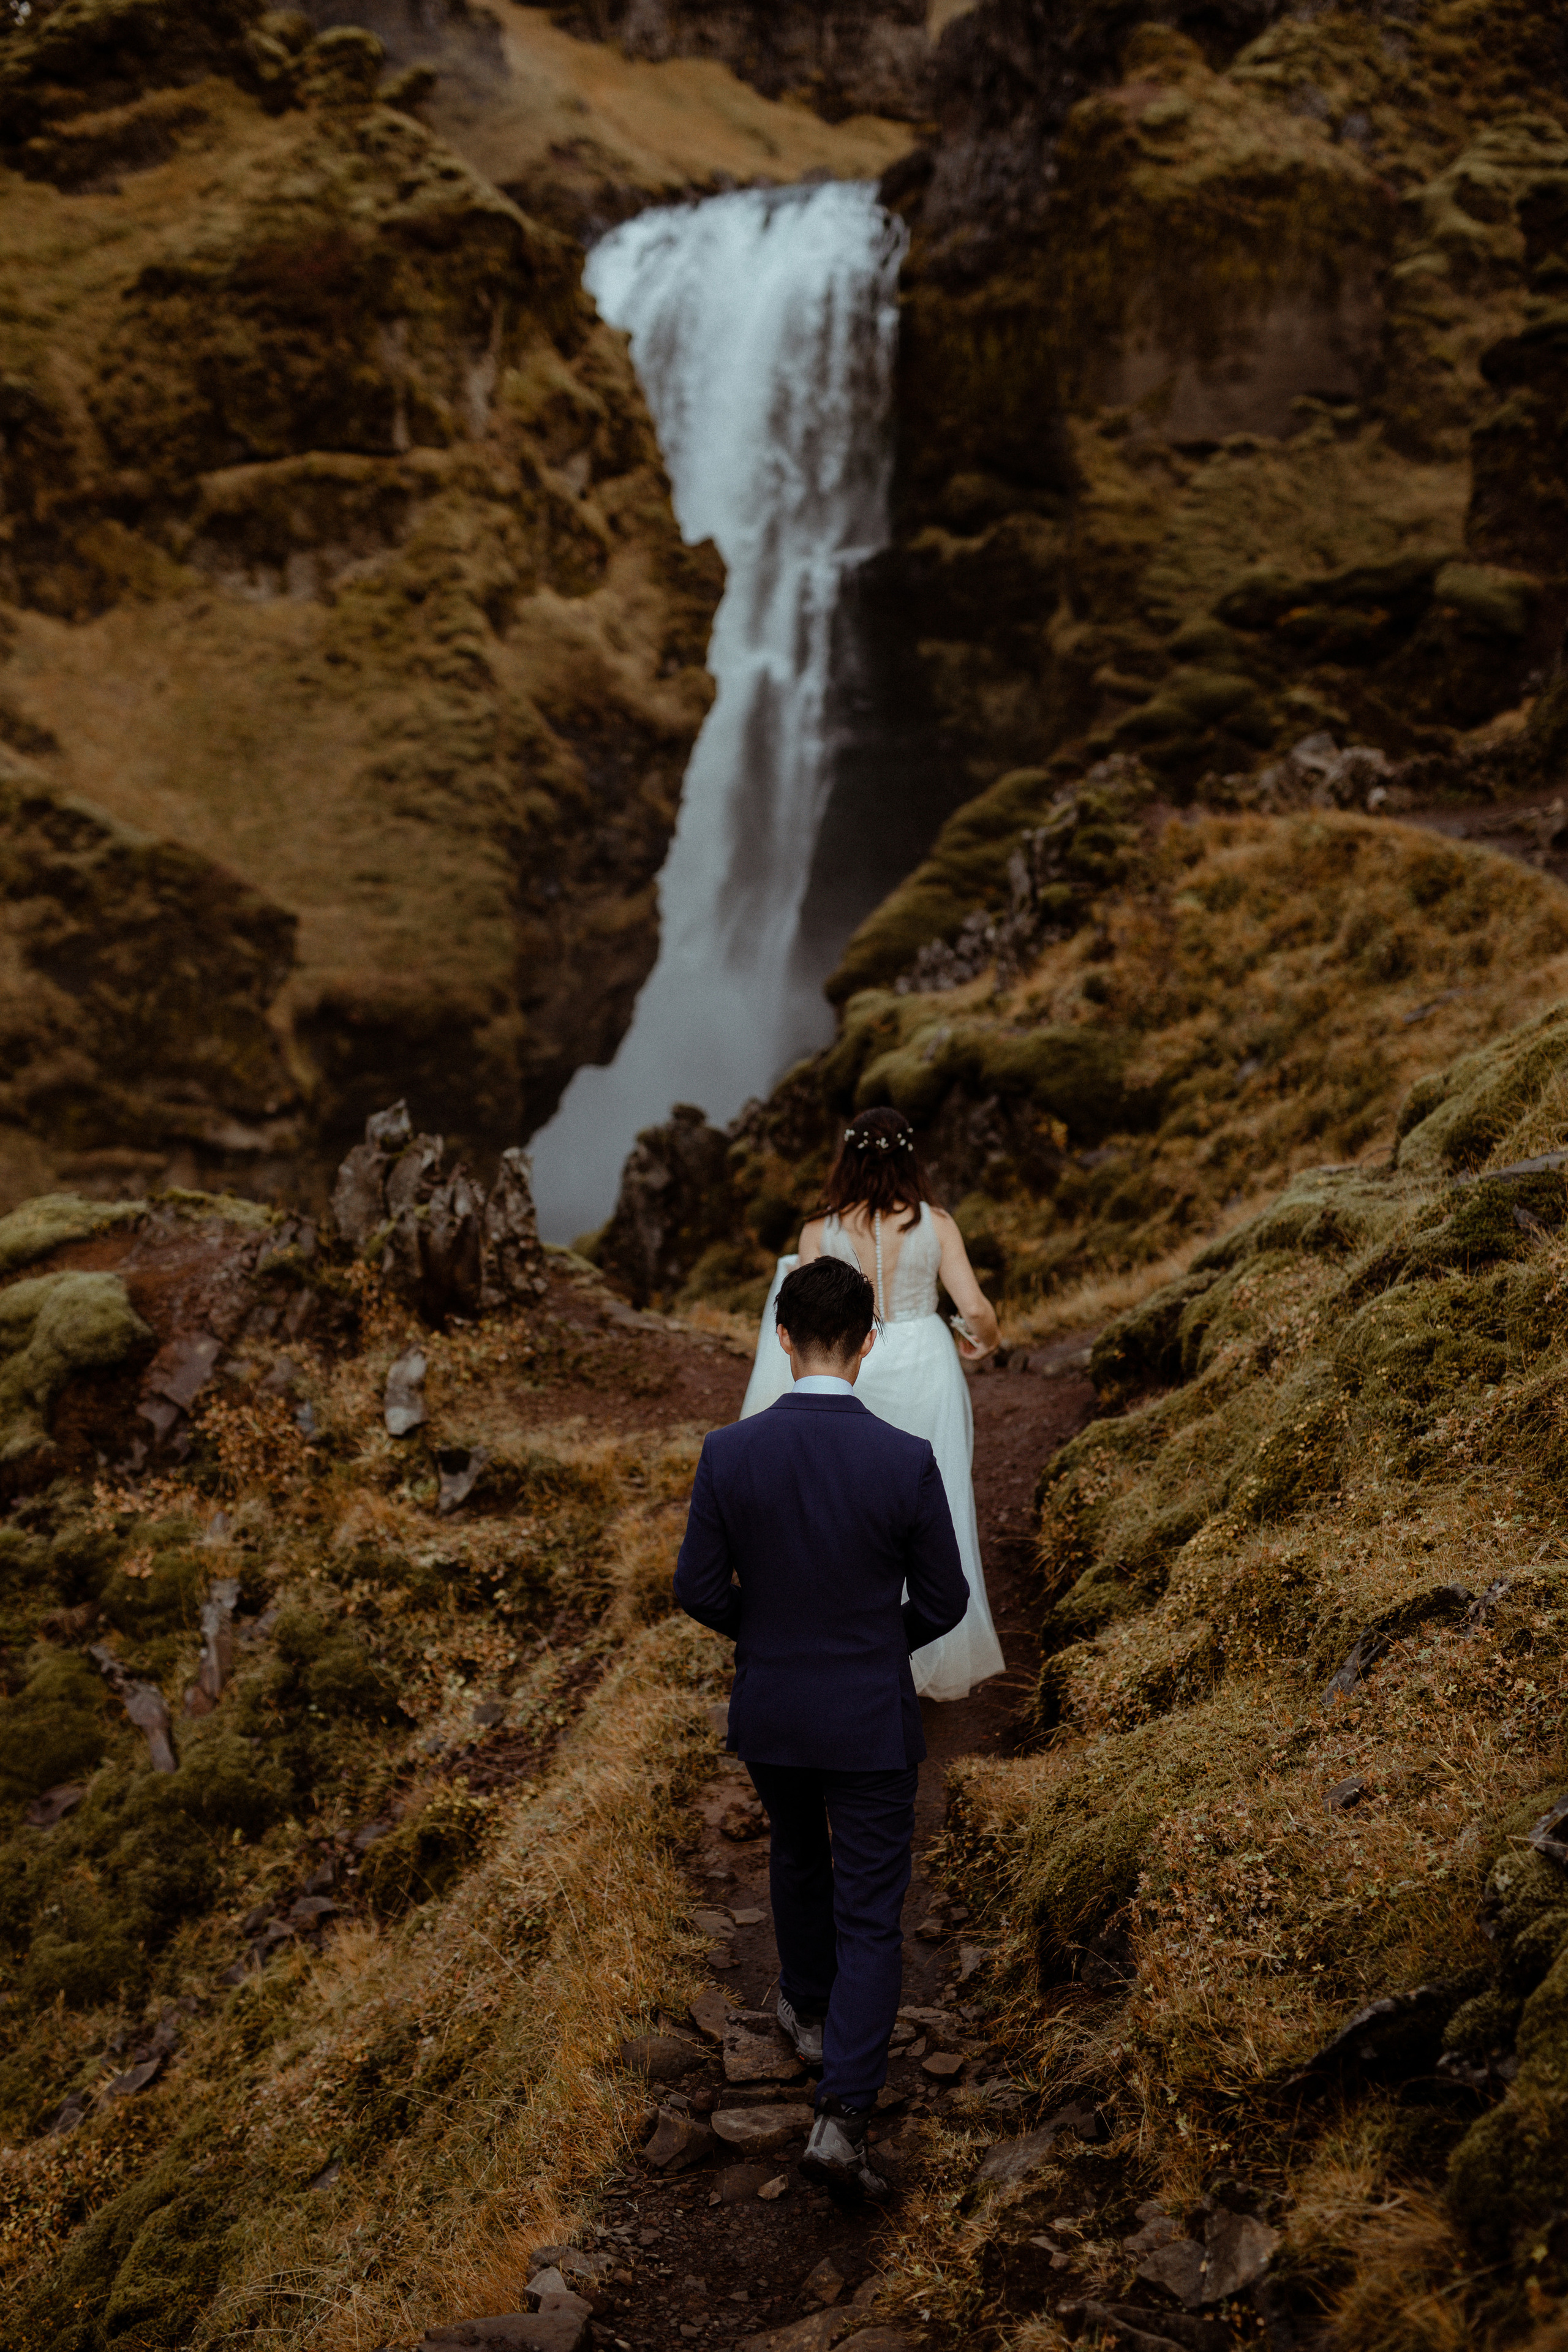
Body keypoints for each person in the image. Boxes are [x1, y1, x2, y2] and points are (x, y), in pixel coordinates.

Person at [674, 1256, 969, 2203]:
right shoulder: (903, 1458)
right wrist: (879, 1643)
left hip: (774, 1705)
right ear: (871, 1340)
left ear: (784, 1338)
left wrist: (767, 1632)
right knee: (872, 1911)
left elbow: (695, 1590)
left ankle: (804, 2009)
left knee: (797, 1855)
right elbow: (947, 1599)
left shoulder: (729, 1453)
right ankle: (843, 2118)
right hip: (870, 1712)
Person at [738, 1105, 1006, 1702]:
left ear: (848, 1156)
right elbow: (977, 1307)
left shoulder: (818, 1230)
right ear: (910, 1156)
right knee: (932, 1500)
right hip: (924, 1362)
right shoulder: (935, 1224)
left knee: (842, 1503)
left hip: (848, 1362)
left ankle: (843, 1640)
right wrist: (980, 1341)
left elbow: (805, 1316)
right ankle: (925, 1650)